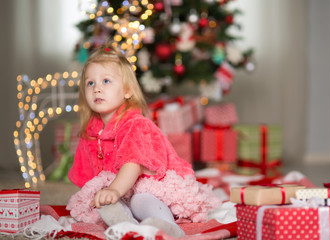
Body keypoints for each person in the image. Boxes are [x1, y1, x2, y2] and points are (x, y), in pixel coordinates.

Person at [67, 44, 221, 237]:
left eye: (106, 81)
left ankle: (166, 225)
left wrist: (114, 189)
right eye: (90, 83)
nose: (97, 88)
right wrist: (97, 194)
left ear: (127, 91)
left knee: (141, 200)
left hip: (148, 182)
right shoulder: (91, 131)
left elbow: (133, 164)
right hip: (119, 187)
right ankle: (127, 224)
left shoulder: (134, 124)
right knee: (107, 205)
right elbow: (86, 173)